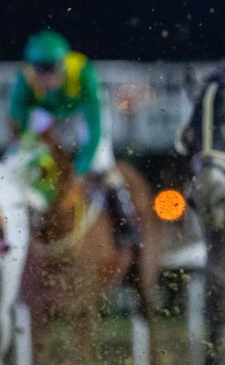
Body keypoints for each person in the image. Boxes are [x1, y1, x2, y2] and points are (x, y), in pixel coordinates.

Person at [9, 29, 141, 251]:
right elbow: (19, 121)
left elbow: (94, 129)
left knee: (101, 161)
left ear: (62, 63)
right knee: (15, 159)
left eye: (51, 68)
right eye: (41, 69)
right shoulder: (24, 80)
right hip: (48, 113)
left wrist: (80, 171)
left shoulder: (82, 72)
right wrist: (29, 148)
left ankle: (126, 224)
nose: (46, 76)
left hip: (81, 111)